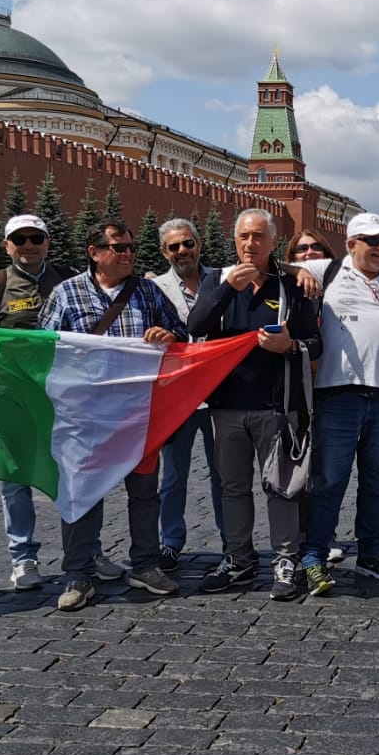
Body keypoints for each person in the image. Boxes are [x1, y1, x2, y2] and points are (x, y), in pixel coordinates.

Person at [39, 220, 188, 611]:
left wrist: (169, 336)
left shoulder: (148, 292)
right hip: (83, 418)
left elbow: (181, 333)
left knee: (145, 495)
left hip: (137, 416)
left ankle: (146, 565)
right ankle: (78, 574)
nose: (128, 254)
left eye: (131, 248)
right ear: (95, 253)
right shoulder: (66, 294)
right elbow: (43, 350)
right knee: (81, 495)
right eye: (119, 248)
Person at [188, 210, 321, 600]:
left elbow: (316, 343)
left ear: (273, 241)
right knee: (232, 487)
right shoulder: (218, 280)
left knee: (282, 488)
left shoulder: (290, 284)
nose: (250, 243)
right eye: (244, 236)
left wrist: (290, 346)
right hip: (227, 405)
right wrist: (228, 289)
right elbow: (196, 326)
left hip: (276, 405)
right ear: (235, 240)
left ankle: (285, 560)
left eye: (259, 236)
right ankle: (238, 559)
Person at [299, 213, 379, 592]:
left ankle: (371, 552)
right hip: (339, 394)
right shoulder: (328, 271)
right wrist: (301, 271)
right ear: (351, 244)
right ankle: (314, 555)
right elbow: (277, 267)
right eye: (372, 240)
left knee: (378, 480)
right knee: (329, 480)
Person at [0, 214, 70, 591]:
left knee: (73, 474)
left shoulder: (67, 279)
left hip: (61, 394)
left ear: (47, 242)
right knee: (15, 477)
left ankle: (85, 552)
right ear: (7, 245)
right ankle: (22, 556)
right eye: (20, 239)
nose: (29, 245)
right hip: (11, 396)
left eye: (36, 238)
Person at [151, 217, 226, 572]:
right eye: (174, 246)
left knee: (224, 475)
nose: (182, 251)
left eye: (188, 243)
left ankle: (232, 540)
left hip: (220, 393)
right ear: (164, 252)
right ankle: (171, 541)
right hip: (177, 396)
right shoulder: (154, 288)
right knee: (173, 476)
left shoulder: (222, 281)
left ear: (199, 244)